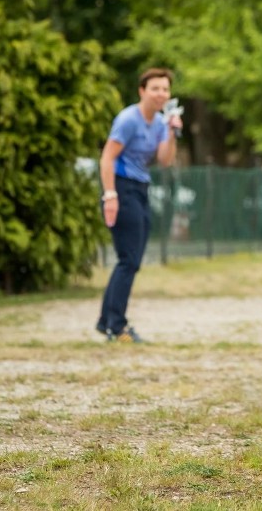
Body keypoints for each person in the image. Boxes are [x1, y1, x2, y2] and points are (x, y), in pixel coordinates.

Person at [96, 68, 182, 343]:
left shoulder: (159, 122)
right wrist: (110, 195)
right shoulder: (128, 119)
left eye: (165, 89)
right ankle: (115, 326)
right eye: (155, 88)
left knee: (130, 261)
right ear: (142, 91)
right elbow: (107, 158)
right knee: (128, 260)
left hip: (141, 188)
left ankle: (107, 322)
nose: (161, 94)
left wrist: (171, 133)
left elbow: (165, 160)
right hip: (121, 187)